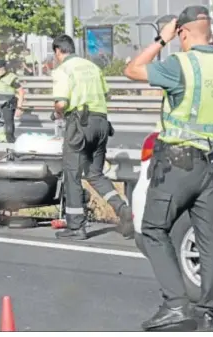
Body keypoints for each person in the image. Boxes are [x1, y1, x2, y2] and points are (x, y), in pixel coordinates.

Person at [123, 6, 213, 332]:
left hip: (179, 164)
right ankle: (205, 312)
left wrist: (161, 40)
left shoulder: (181, 65)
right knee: (209, 241)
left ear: (183, 33)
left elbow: (132, 69)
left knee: (153, 228)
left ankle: (175, 305)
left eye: (178, 35)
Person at [50, 34, 134, 241]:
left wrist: (58, 113)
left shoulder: (63, 70)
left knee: (72, 173)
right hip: (102, 123)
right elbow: (107, 95)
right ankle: (123, 210)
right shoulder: (92, 67)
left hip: (80, 125)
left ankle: (76, 226)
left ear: (58, 51)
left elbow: (61, 103)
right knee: (94, 173)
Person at [0, 59, 25, 143]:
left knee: (8, 125)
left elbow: (21, 91)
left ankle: (10, 142)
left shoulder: (11, 77)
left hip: (8, 104)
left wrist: (19, 107)